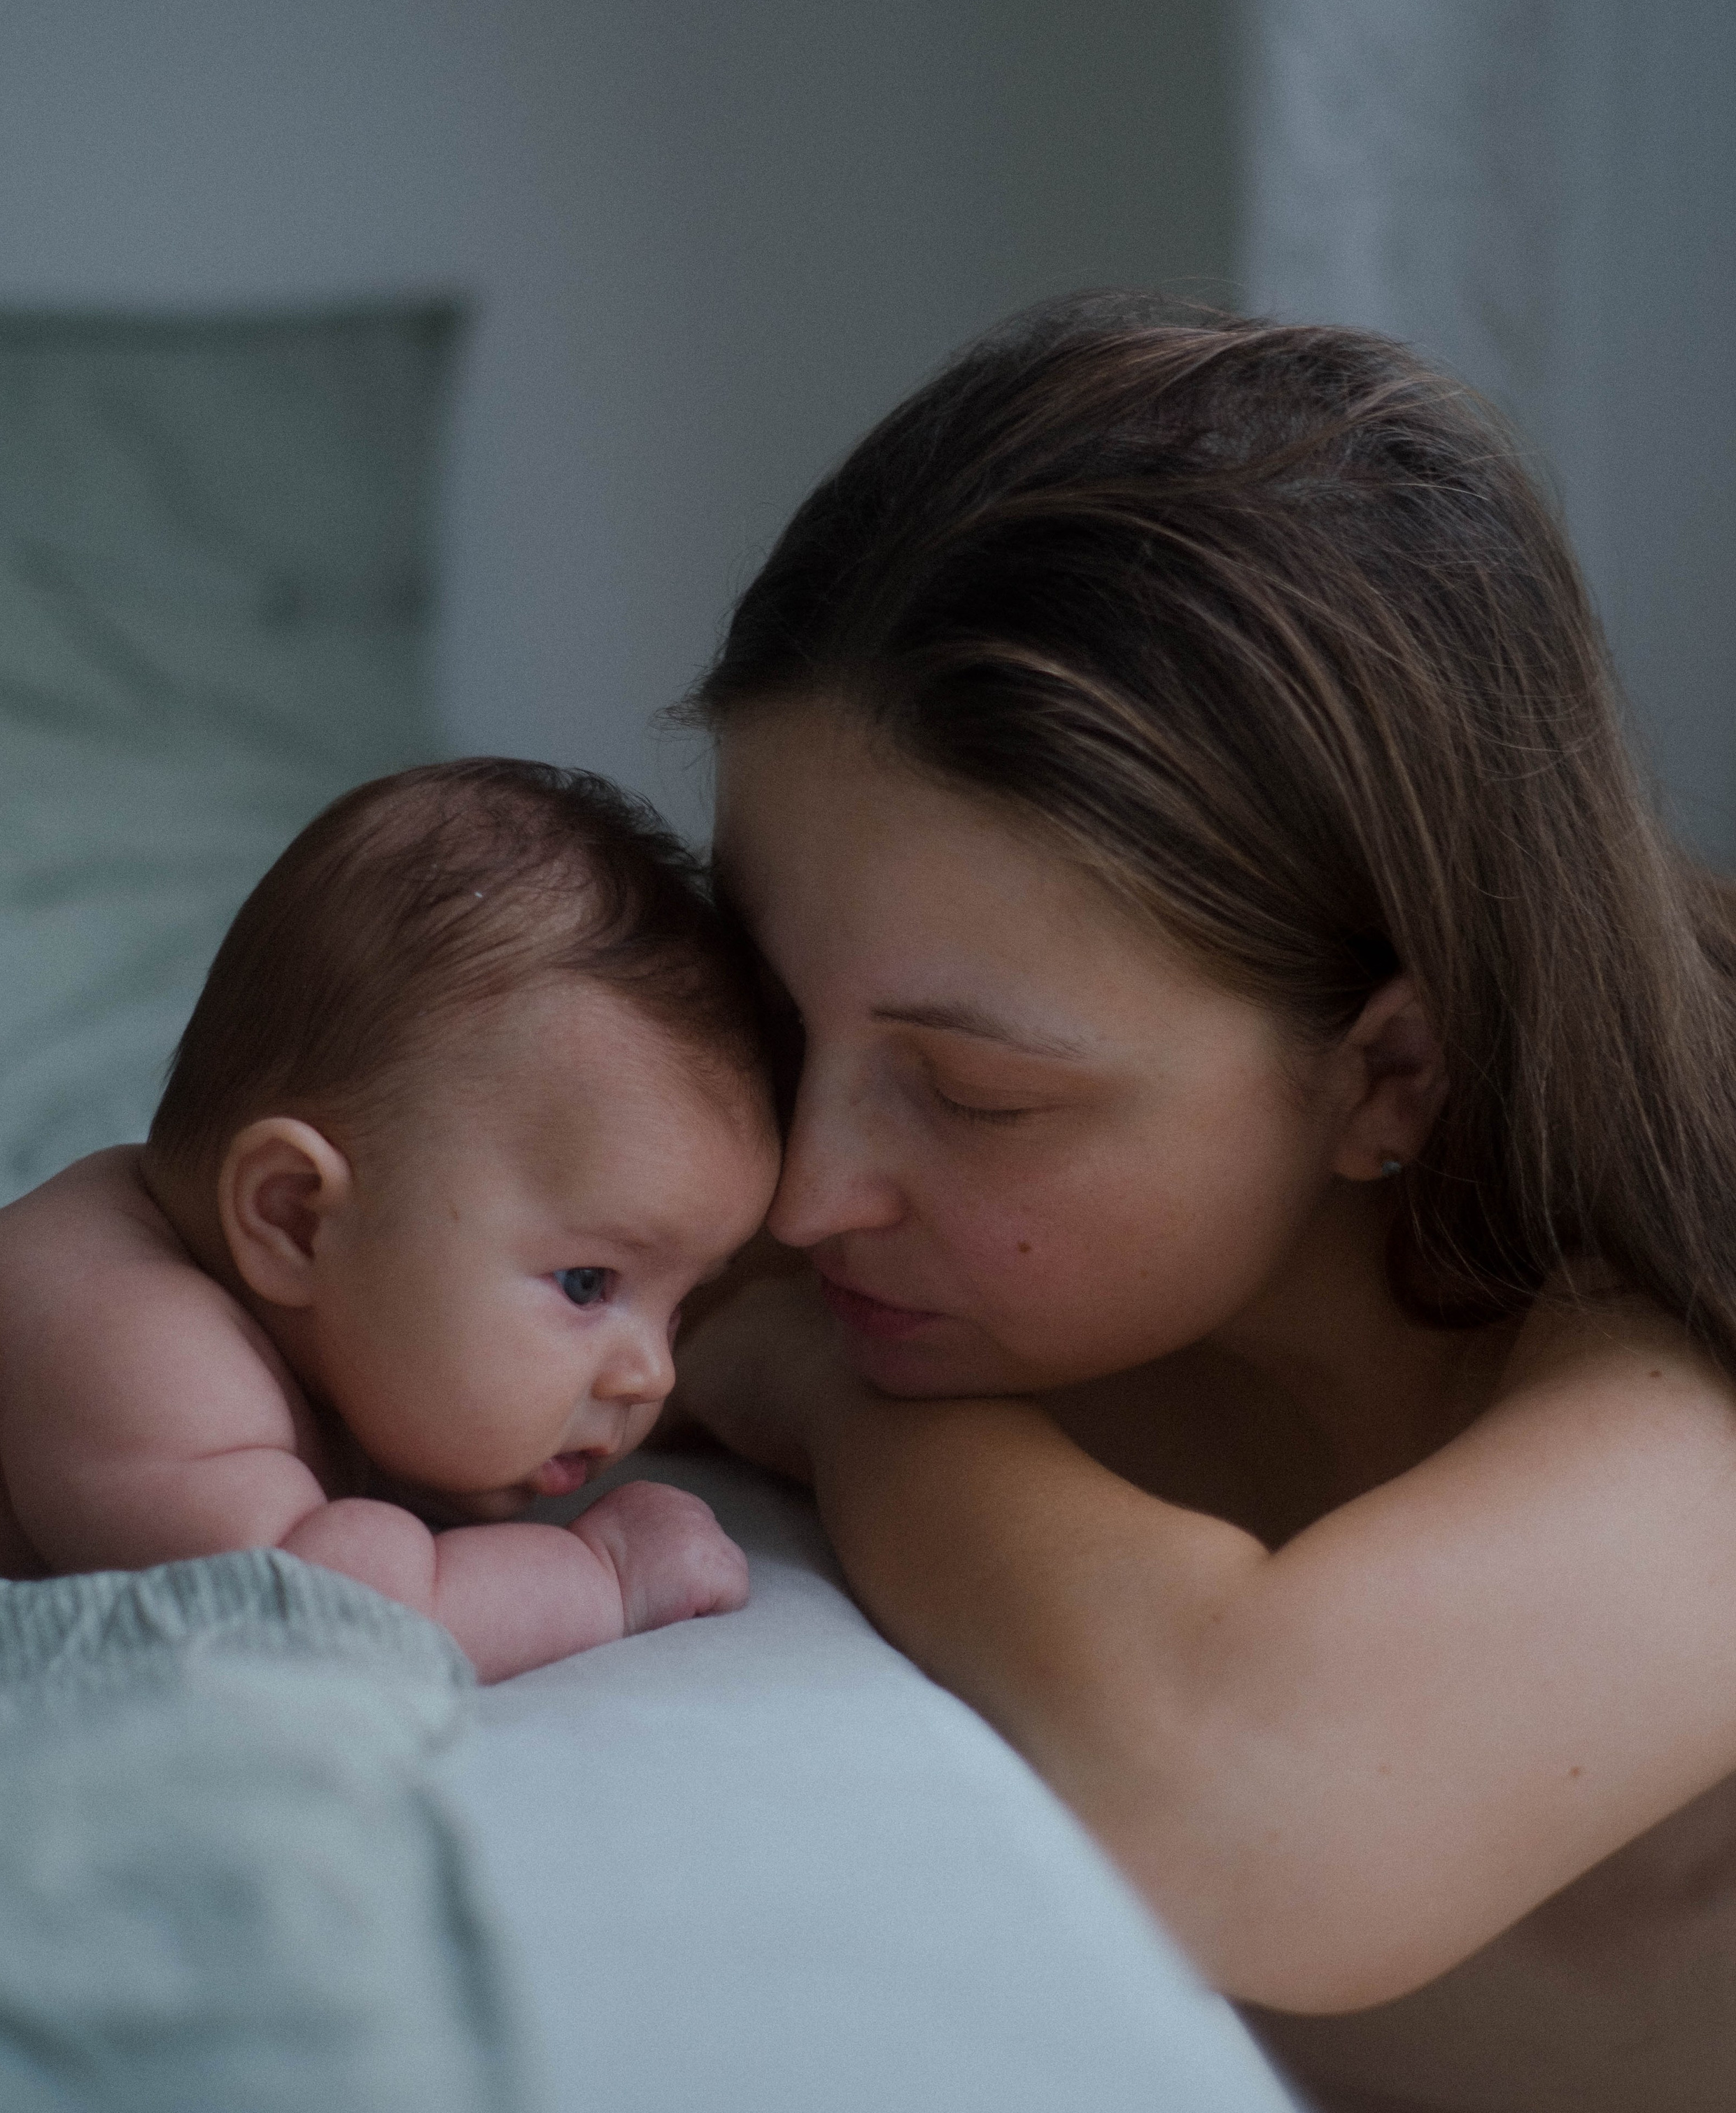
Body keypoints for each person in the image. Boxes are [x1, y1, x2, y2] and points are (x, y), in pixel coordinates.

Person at [670, 297, 1736, 2112]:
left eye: (974, 1090)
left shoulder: (1681, 1370)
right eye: (770, 1007)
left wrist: (821, 1394)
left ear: (1388, 1071)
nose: (808, 1182)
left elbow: (1254, 1805)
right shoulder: (928, 1213)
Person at [0, 759, 775, 1682]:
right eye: (588, 1284)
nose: (652, 1375)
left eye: (678, 1309)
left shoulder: (311, 1328)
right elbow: (314, 1621)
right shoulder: (139, 1354)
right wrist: (601, 1575)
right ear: (296, 1218)